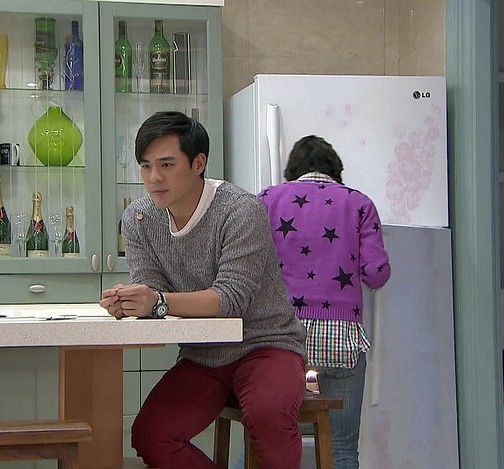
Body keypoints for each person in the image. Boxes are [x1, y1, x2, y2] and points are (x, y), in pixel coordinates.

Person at [99, 111, 307, 469]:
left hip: (266, 344)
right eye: (146, 166)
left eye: (167, 164)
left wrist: (157, 302)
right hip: (204, 354)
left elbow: (231, 298)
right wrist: (131, 301)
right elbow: (153, 289)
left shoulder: (240, 210)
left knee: (268, 419)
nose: (154, 177)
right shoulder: (139, 219)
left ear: (198, 163)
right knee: (152, 435)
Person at [258, 135, 391, 469]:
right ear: (336, 170)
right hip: (340, 339)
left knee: (262, 441)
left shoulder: (267, 200)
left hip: (279, 338)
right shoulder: (359, 204)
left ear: (291, 171)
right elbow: (376, 274)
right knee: (341, 446)